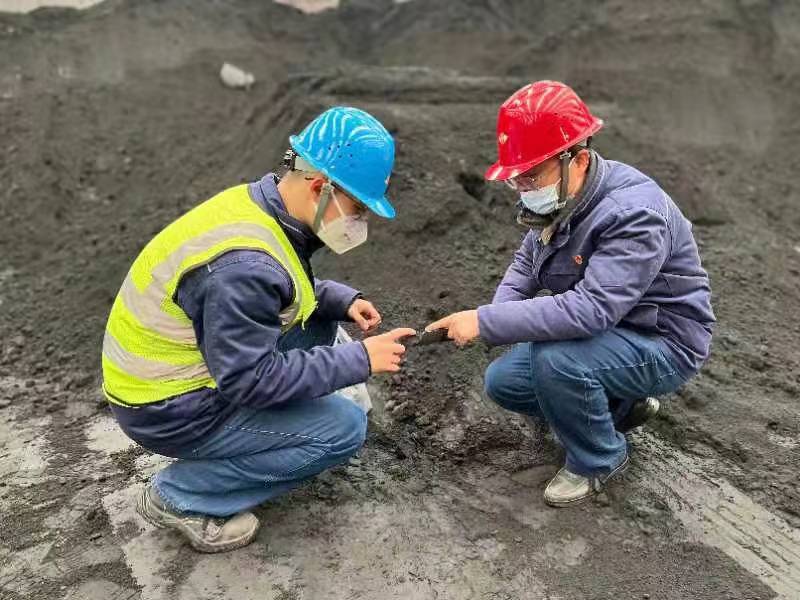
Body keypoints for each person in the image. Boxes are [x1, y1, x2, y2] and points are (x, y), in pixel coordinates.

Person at [101, 106, 416, 552]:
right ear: (320, 187)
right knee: (343, 429)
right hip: (169, 409)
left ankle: (271, 433)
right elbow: (250, 379)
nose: (359, 223)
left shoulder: (259, 207)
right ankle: (181, 496)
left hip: (182, 378)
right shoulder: (241, 267)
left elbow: (275, 289)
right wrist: (360, 359)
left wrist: (339, 300)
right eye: (358, 209)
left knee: (319, 323)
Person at [427, 81, 715, 507]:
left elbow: (591, 311)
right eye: (516, 178)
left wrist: (486, 322)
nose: (523, 187)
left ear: (577, 160)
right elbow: (525, 266)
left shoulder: (633, 213)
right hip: (611, 335)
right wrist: (497, 315)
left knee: (556, 360)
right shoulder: (563, 198)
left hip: (661, 343)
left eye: (531, 175)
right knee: (504, 382)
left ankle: (600, 459)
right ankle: (622, 408)